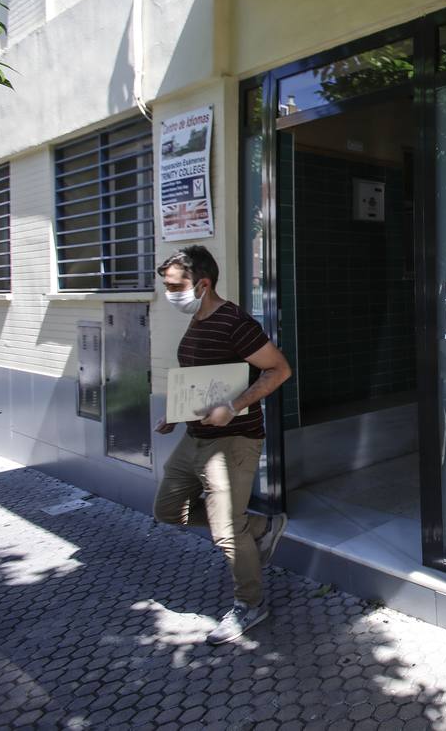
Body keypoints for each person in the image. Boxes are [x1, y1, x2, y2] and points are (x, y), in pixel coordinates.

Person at [151, 245, 293, 645]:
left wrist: (233, 406)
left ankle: (250, 604)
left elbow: (279, 369)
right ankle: (263, 526)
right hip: (194, 437)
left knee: (226, 530)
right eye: (165, 285)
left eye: (174, 285)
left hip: (234, 440)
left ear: (203, 283)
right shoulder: (196, 319)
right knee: (168, 510)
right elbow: (201, 380)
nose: (168, 293)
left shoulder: (234, 322)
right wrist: (175, 414)